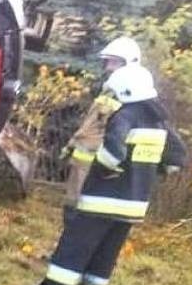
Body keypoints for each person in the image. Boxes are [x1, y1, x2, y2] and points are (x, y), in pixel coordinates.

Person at [29, 64, 187, 285]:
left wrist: (104, 169)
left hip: (102, 199)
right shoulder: (159, 122)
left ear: (125, 91)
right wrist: (150, 173)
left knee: (76, 243)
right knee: (107, 251)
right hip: (134, 205)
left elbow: (112, 154)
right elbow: (177, 157)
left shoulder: (124, 116)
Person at [61, 37, 142, 210]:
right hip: (84, 157)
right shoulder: (110, 90)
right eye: (108, 62)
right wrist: (73, 144)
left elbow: (106, 130)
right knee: (72, 203)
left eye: (114, 62)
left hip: (97, 161)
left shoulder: (127, 95)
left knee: (81, 209)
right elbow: (90, 124)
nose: (108, 67)